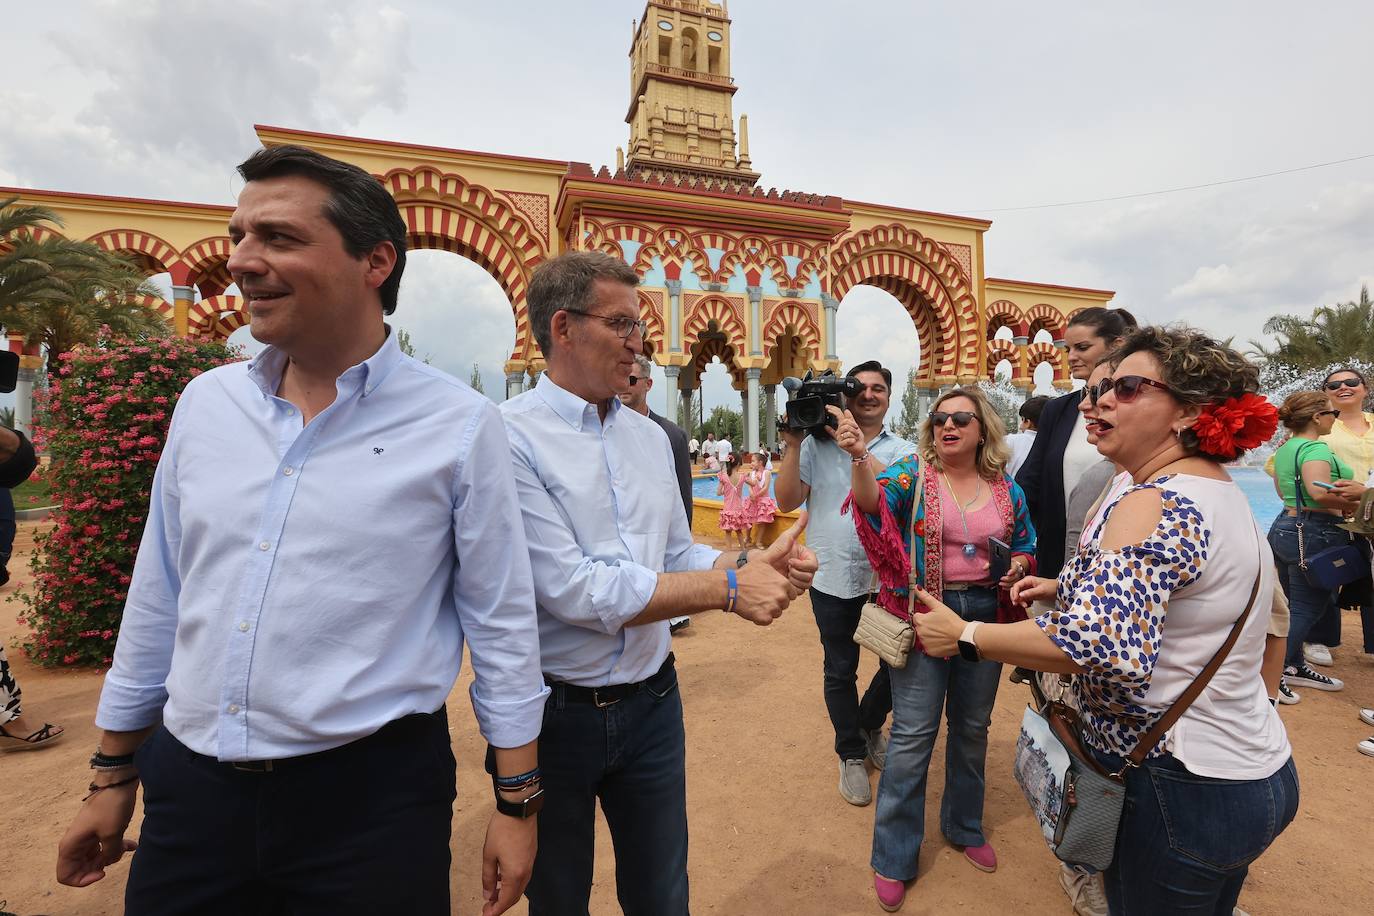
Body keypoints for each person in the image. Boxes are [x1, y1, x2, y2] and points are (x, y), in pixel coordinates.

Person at [54, 146, 548, 916]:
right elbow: (161, 596)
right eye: (238, 236)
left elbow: (503, 624)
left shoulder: (457, 425)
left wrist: (517, 804)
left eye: (278, 238)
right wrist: (113, 773)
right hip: (192, 794)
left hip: (370, 804)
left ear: (375, 262)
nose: (243, 262)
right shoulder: (206, 406)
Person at [914, 326, 1298, 915]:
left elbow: (1095, 644)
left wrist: (966, 635)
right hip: (1248, 767)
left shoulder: (1156, 500)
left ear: (1187, 412)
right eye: (1100, 389)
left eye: (1127, 387)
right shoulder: (1213, 491)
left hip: (1179, 783)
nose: (1098, 402)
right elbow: (1180, 592)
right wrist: (1064, 583)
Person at [499, 250, 817, 915]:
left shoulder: (649, 440)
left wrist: (749, 567)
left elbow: (678, 551)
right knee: (558, 898)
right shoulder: (508, 439)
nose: (640, 341)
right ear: (563, 327)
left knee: (662, 893)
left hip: (652, 703)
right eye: (620, 323)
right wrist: (730, 592)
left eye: (638, 324)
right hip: (558, 714)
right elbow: (579, 590)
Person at [849, 387, 1036, 911]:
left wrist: (1020, 566)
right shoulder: (912, 476)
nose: (947, 425)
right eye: (939, 418)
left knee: (973, 727)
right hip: (929, 614)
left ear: (983, 430)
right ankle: (893, 855)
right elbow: (870, 505)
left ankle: (964, 826)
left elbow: (1025, 543)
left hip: (984, 617)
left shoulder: (1006, 489)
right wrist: (860, 457)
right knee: (912, 734)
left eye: (961, 418)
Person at [775, 359, 914, 807]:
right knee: (839, 669)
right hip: (831, 573)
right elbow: (787, 499)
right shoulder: (816, 446)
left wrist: (856, 446)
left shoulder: (903, 450)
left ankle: (870, 721)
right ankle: (851, 752)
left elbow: (896, 493)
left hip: (887, 578)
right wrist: (794, 442)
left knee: (898, 663)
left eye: (878, 388)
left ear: (889, 398)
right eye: (860, 388)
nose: (868, 394)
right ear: (845, 395)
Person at [1016, 308, 1138, 583]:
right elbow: (1030, 484)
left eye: (1082, 347)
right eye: (1068, 348)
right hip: (1057, 565)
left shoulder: (1135, 409)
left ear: (1116, 346)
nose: (1071, 356)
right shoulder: (1058, 410)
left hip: (1117, 565)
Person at [1267, 391, 1363, 703]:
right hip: (1316, 530)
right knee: (1309, 607)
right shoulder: (1315, 449)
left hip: (1287, 526)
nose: (1335, 419)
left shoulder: (1285, 449)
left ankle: (1294, 664)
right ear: (1316, 417)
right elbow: (1318, 493)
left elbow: (1284, 492)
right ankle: (1272, 672)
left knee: (1293, 602)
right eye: (1332, 414)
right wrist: (1357, 502)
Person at [620, 354, 695, 633]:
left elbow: (682, 498)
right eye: (620, 379)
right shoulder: (604, 429)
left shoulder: (670, 435)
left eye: (631, 380)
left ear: (648, 384)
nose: (623, 387)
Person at [1319, 368, 1374, 660]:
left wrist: (1365, 493)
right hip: (1332, 511)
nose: (1344, 387)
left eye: (1352, 382)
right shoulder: (1318, 426)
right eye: (1334, 384)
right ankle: (1319, 639)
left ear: (1365, 388)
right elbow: (1282, 467)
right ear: (1325, 393)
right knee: (1327, 574)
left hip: (1372, 513)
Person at [1005, 395, 1048, 478]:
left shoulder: (1011, 440)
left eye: (1022, 420)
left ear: (1028, 422)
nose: (1020, 427)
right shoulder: (1055, 443)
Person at [715, 453, 750, 549]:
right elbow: (754, 484)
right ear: (739, 464)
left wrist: (726, 491)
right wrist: (750, 475)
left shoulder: (723, 476)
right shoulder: (742, 477)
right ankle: (743, 550)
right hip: (738, 510)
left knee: (728, 532)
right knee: (739, 531)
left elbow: (718, 493)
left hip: (728, 509)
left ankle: (728, 551)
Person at [745, 450, 778, 548]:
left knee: (762, 522)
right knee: (748, 520)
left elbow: (766, 487)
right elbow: (750, 485)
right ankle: (747, 538)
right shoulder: (752, 473)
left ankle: (758, 541)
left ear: (760, 462)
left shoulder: (766, 473)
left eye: (753, 461)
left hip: (762, 500)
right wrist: (751, 493)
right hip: (752, 500)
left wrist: (757, 495)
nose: (751, 463)